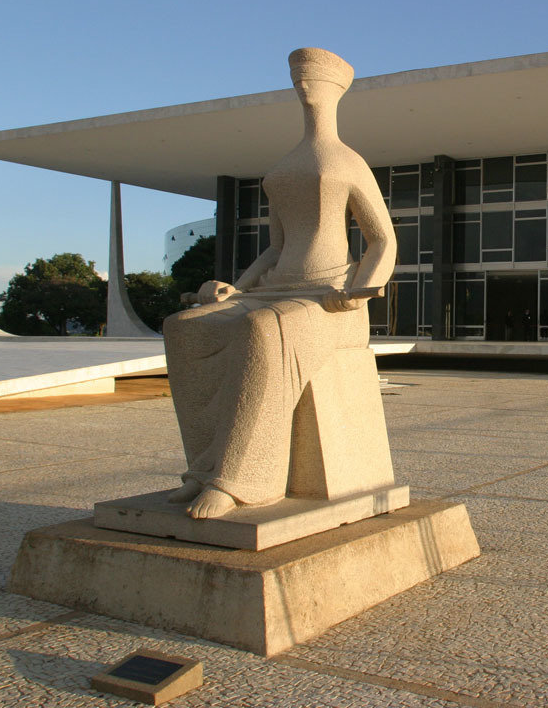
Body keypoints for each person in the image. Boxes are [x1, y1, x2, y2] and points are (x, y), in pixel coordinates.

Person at [162, 48, 396, 520]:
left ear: (336, 90)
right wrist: (238, 287)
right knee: (184, 328)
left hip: (329, 298)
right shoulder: (285, 166)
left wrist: (359, 291)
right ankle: (204, 468)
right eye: (298, 78)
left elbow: (383, 240)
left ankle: (241, 479)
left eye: (313, 79)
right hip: (274, 289)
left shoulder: (349, 161)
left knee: (264, 329)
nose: (304, 85)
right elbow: (275, 247)